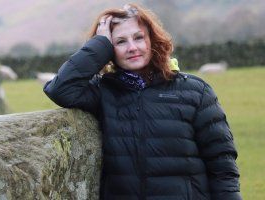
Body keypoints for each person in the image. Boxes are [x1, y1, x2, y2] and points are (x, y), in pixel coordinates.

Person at [43, 3, 241, 200]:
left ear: (152, 40)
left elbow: (222, 164)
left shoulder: (195, 91)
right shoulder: (103, 92)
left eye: (139, 37)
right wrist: (99, 43)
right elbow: (60, 89)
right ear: (109, 49)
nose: (132, 48)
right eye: (120, 41)